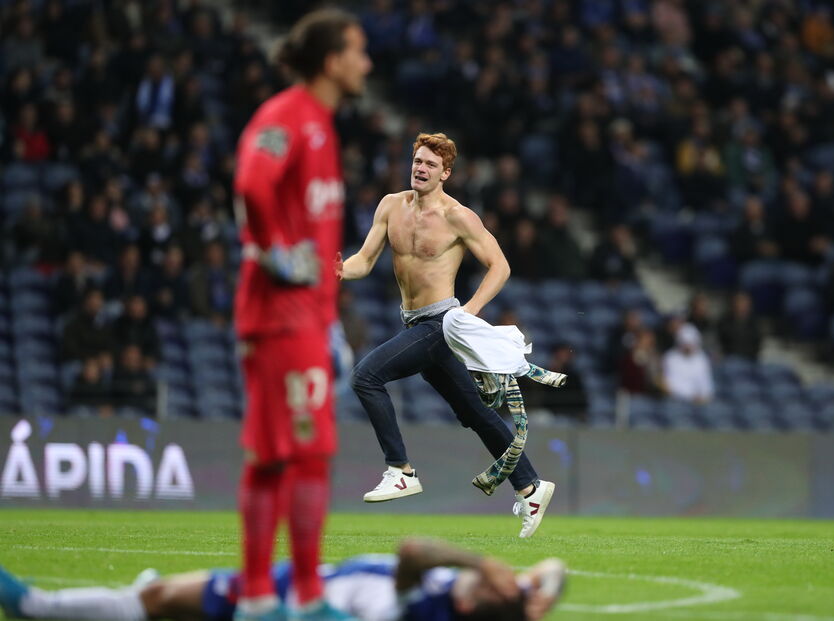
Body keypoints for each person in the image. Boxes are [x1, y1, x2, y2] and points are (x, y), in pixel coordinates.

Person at [339, 132, 556, 538]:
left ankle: (400, 470)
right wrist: (339, 270)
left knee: (366, 377)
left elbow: (500, 266)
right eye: (417, 161)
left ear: (446, 173)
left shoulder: (458, 216)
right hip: (414, 321)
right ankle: (530, 486)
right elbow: (364, 261)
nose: (420, 168)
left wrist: (467, 313)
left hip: (441, 322)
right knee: (474, 412)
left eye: (430, 165)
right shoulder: (391, 206)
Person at [232, 8, 371, 621]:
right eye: (358, 50)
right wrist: (276, 253)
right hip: (283, 313)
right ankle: (309, 598)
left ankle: (259, 596)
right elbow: (252, 183)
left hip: (296, 318)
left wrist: (330, 320)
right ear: (332, 60)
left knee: (269, 456)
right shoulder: (289, 116)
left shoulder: (321, 125)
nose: (366, 63)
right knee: (310, 453)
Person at [0, 538, 566, 621]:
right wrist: (528, 597)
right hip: (300, 583)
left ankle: (33, 606)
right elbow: (552, 573)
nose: (507, 577)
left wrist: (477, 563)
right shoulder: (487, 601)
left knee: (157, 598)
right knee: (160, 597)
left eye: (500, 586)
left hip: (285, 601)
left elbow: (412, 549)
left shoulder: (421, 604)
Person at [661, 323, 714, 404]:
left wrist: (704, 396)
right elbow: (670, 385)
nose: (688, 346)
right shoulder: (670, 358)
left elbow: (706, 383)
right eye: (685, 343)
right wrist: (691, 397)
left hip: (699, 401)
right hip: (678, 401)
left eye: (691, 343)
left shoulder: (701, 358)